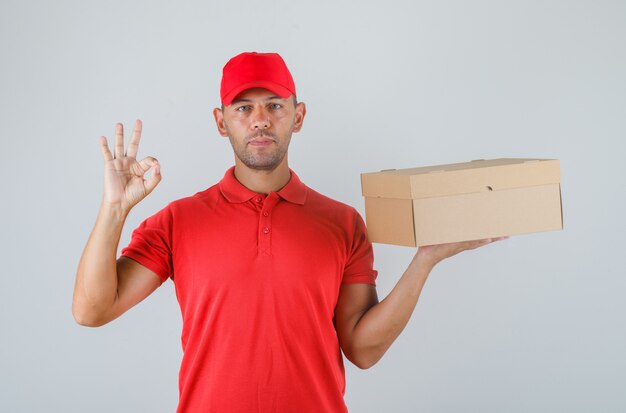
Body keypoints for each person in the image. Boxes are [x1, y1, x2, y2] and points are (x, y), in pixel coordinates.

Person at [73, 51, 503, 413]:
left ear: (298, 116)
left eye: (274, 105)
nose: (260, 120)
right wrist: (115, 208)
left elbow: (363, 350)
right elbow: (92, 311)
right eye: (244, 108)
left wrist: (426, 258)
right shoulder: (178, 221)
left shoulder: (342, 223)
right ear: (222, 122)